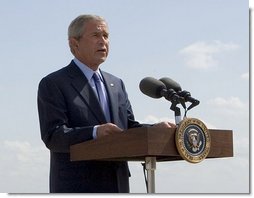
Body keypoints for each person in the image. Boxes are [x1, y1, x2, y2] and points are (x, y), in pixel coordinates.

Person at [37, 14, 175, 193]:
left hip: (117, 182)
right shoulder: (54, 83)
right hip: (77, 185)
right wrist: (95, 132)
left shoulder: (116, 84)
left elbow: (128, 128)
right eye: (96, 35)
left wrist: (154, 130)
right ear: (74, 44)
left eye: (106, 36)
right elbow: (53, 136)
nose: (103, 41)